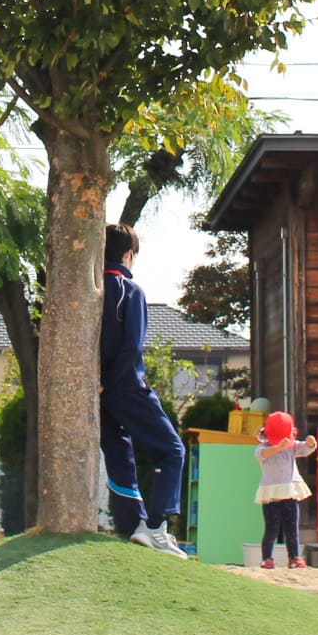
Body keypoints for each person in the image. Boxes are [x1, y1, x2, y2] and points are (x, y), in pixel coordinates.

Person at [99, 224, 188, 556]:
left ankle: (132, 525)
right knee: (172, 450)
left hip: (98, 392)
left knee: (119, 451)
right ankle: (155, 527)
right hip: (126, 386)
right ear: (128, 254)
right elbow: (131, 347)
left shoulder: (90, 288)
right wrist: (114, 381)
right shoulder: (129, 289)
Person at [254, 410, 317, 569]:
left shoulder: (291, 447)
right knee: (272, 528)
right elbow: (263, 454)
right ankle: (267, 558)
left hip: (289, 492)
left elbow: (305, 448)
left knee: (292, 528)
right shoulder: (262, 448)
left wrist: (310, 443)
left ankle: (294, 558)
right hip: (271, 496)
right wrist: (277, 447)